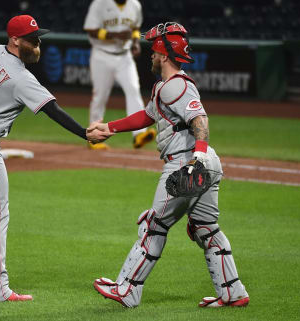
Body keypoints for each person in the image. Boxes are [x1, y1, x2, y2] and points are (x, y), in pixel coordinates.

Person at [0, 15, 110, 302]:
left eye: (38, 37)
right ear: (15, 40)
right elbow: (53, 110)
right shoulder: (20, 77)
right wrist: (84, 134)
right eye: (32, 38)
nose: (37, 43)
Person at [90, 22, 249, 308]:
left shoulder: (176, 85)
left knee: (153, 225)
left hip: (187, 162)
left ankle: (128, 289)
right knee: (205, 228)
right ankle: (232, 292)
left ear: (164, 55)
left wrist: (195, 160)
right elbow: (147, 116)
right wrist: (109, 128)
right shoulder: (166, 86)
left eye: (153, 51)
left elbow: (200, 121)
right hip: (205, 163)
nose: (150, 55)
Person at [83, 0, 156, 150]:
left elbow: (135, 28)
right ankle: (93, 137)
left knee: (133, 90)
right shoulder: (99, 3)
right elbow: (91, 29)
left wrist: (135, 42)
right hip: (102, 55)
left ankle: (139, 135)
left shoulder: (134, 4)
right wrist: (115, 34)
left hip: (124, 56)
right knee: (100, 96)